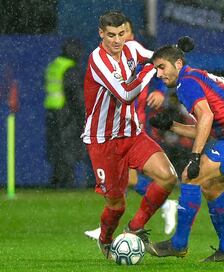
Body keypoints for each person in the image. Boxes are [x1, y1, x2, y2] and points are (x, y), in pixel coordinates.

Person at [147, 37, 224, 262]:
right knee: (211, 188)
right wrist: (171, 125)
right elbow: (206, 126)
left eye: (162, 67)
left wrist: (195, 157)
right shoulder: (195, 77)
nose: (159, 74)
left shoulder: (187, 83)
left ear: (179, 64)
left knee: (189, 177)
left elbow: (206, 117)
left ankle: (178, 243)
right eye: (156, 69)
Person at [82, 10, 178, 259]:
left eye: (121, 34)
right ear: (101, 34)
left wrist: (176, 53)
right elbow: (125, 94)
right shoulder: (98, 59)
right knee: (117, 205)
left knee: (168, 177)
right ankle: (105, 240)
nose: (117, 40)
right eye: (111, 35)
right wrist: (148, 71)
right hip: (103, 141)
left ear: (127, 32)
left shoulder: (132, 48)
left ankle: (135, 228)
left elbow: (157, 58)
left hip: (132, 134)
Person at [43, 38, 86, 188]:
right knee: (67, 147)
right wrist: (83, 115)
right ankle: (66, 181)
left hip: (52, 111)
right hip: (65, 113)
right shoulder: (70, 68)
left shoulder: (54, 65)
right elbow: (75, 94)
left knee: (56, 147)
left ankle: (57, 180)